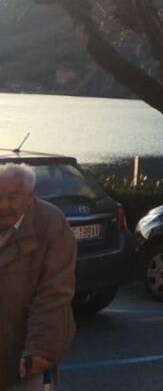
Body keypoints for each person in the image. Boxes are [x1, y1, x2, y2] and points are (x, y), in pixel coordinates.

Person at [0, 163, 76, 391]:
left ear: (30, 196)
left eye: (12, 197)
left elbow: (55, 293)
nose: (4, 206)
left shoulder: (50, 223)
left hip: (24, 355)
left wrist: (40, 349)